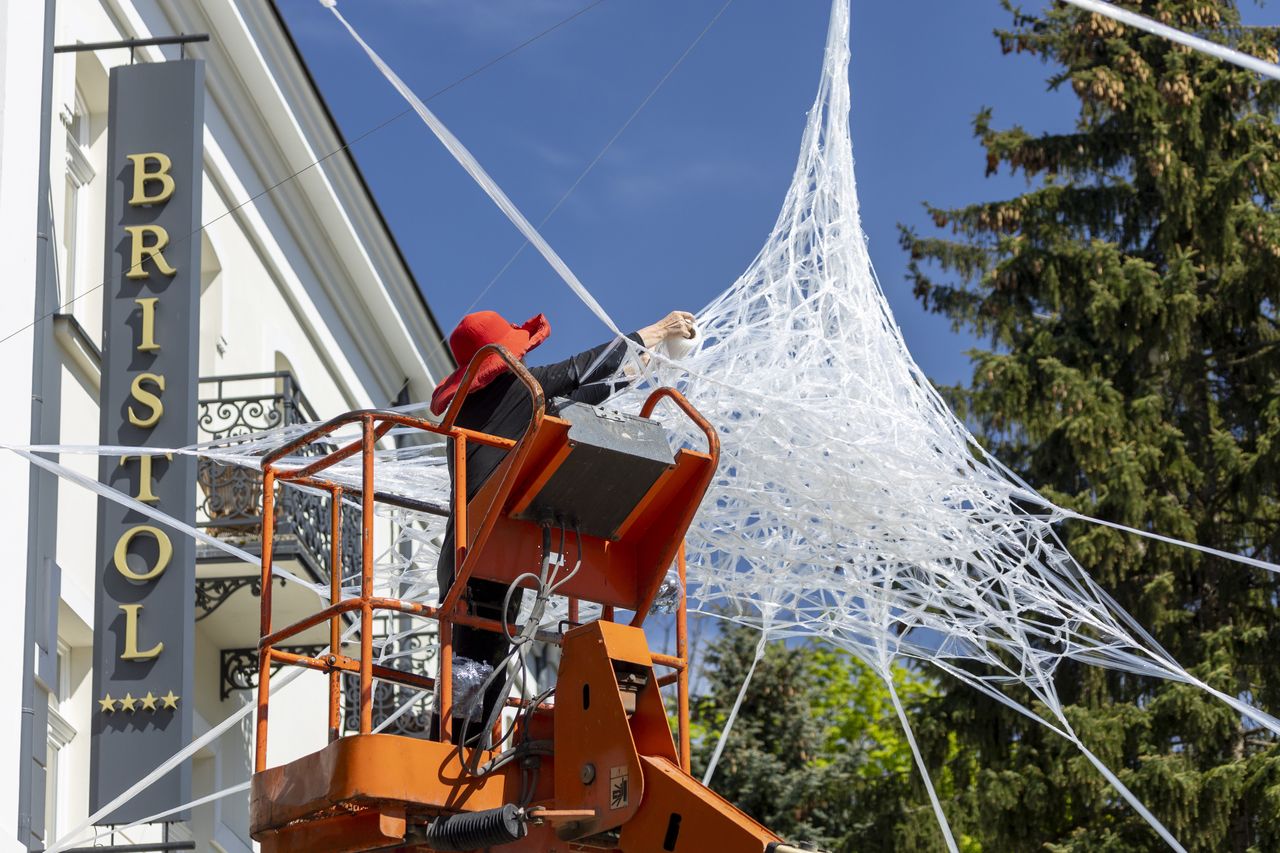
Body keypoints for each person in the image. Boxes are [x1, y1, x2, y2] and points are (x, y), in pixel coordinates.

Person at [430, 308, 695, 744]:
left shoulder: (495, 404)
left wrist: (647, 360)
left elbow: (588, 392)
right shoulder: (513, 390)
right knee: (474, 684)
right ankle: (448, 773)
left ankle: (453, 768)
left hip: (474, 550)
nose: (527, 363)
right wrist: (658, 331)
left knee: (475, 679)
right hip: (483, 549)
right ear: (504, 361)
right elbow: (582, 369)